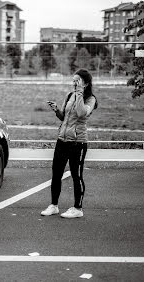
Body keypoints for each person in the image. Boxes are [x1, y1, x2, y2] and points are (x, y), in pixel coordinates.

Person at [41, 68, 98, 218]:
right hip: (62, 140)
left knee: (76, 175)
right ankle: (54, 205)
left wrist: (79, 92)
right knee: (56, 173)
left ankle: (78, 208)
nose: (74, 83)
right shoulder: (69, 95)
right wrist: (57, 110)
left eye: (77, 81)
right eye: (73, 81)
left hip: (78, 143)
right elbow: (64, 118)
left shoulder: (90, 99)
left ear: (85, 83)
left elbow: (80, 113)